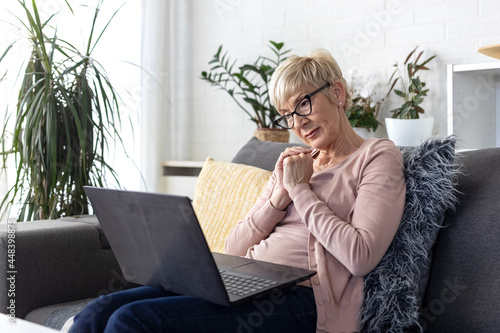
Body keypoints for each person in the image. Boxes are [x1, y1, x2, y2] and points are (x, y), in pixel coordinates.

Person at [69, 49, 405, 333]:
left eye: (303, 104)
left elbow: (361, 256)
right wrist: (277, 199)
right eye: (287, 114)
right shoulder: (293, 162)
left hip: (305, 300)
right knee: (98, 312)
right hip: (246, 281)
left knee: (133, 320)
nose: (298, 124)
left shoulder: (376, 156)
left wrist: (300, 190)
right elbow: (233, 247)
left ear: (337, 93)